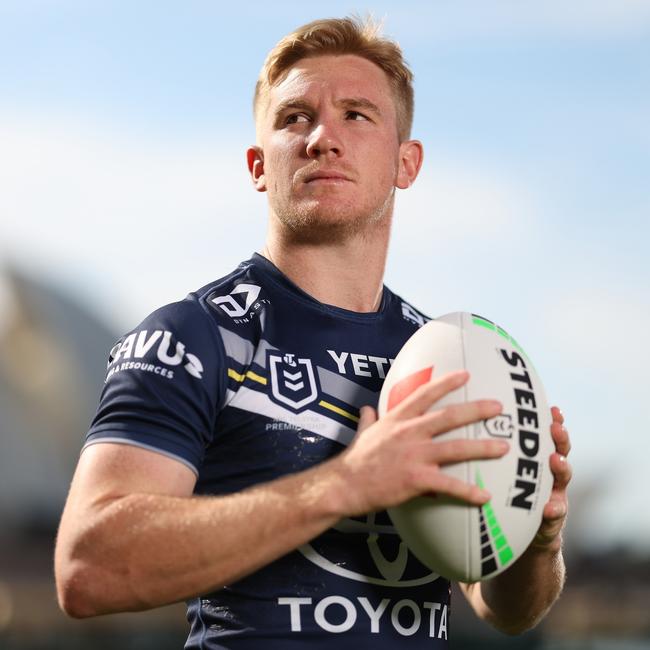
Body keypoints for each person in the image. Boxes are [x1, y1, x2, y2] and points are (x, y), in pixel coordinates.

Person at [54, 16, 572, 649]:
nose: (323, 137)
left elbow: (506, 609)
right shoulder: (196, 335)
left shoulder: (434, 360)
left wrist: (536, 542)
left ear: (405, 162)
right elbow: (88, 567)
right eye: (295, 117)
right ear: (258, 165)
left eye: (357, 115)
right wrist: (347, 484)